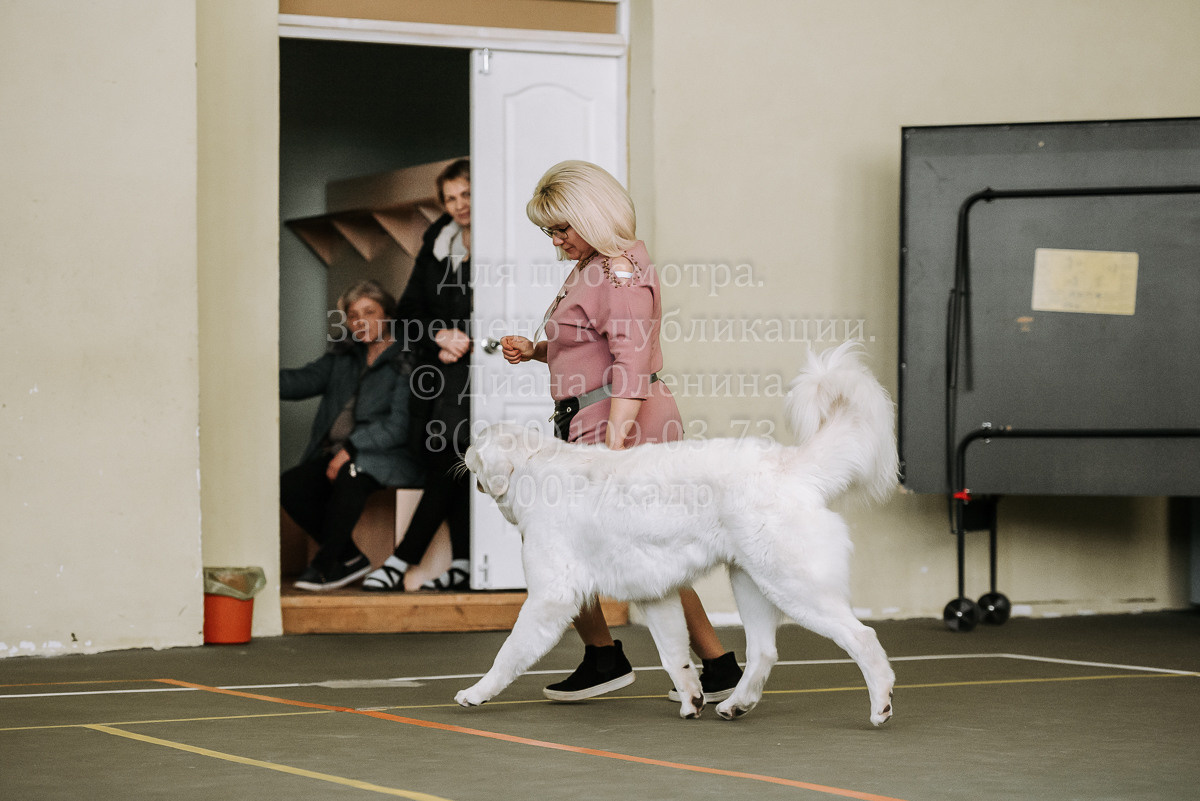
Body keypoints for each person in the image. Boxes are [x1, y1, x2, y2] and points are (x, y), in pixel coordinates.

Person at [500, 160, 743, 702]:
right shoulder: (595, 265)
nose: (556, 240)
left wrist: (614, 448)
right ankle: (689, 661)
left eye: (562, 228)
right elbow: (591, 346)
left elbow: (630, 364)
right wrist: (539, 352)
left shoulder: (618, 272)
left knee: (600, 544)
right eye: (549, 231)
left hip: (621, 419)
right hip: (594, 415)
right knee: (626, 546)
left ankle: (622, 658)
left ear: (593, 215)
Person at [362, 158, 473, 592]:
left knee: (457, 465)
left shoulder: (507, 238)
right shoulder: (437, 243)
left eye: (466, 193)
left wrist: (470, 336)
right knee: (455, 463)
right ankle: (463, 562)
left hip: (492, 374)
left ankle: (402, 560)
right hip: (444, 376)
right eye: (450, 198)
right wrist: (440, 335)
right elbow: (409, 314)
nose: (459, 205)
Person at [280, 279, 424, 591]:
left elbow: (397, 427)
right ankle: (349, 558)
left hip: (393, 456)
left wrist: (351, 449)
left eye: (369, 312)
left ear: (387, 314)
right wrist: (252, 373)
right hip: (341, 453)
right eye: (353, 315)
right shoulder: (343, 356)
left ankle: (327, 562)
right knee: (291, 486)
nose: (361, 322)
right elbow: (301, 381)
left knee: (351, 472)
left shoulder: (407, 357)